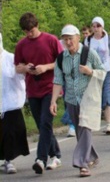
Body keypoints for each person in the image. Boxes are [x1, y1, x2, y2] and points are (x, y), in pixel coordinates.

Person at [51, 25, 104, 178]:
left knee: (85, 128)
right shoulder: (61, 58)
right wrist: (53, 101)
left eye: (70, 39)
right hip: (71, 100)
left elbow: (102, 72)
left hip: (88, 98)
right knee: (80, 132)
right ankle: (92, 156)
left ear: (78, 38)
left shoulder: (89, 53)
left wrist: (91, 71)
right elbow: (57, 80)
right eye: (65, 39)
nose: (68, 42)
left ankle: (82, 163)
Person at [14, 12, 62, 174]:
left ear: (37, 26)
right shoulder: (21, 45)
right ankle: (56, 155)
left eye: (31, 30)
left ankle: (40, 159)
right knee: (42, 126)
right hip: (33, 89)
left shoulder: (51, 40)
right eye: (26, 31)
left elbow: (63, 62)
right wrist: (26, 68)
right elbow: (17, 67)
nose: (29, 34)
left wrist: (45, 67)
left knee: (45, 123)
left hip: (51, 88)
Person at [0, 33, 29, 175]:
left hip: (10, 101)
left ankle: (9, 160)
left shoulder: (10, 58)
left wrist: (21, 69)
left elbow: (21, 75)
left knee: (11, 132)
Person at [84, 17, 110, 135]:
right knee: (93, 97)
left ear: (102, 27)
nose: (96, 28)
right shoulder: (88, 40)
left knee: (107, 95)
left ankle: (109, 124)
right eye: (94, 26)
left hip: (107, 71)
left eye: (98, 26)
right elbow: (85, 55)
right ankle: (93, 123)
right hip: (93, 72)